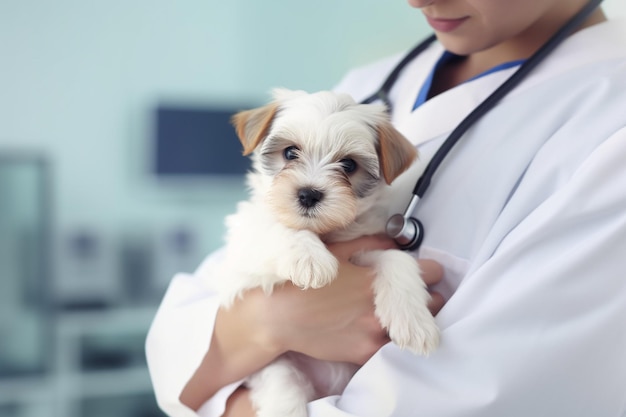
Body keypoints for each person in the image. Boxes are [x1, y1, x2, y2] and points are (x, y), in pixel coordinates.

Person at [146, 0, 626, 415]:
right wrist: (264, 322)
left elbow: (492, 393)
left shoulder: (609, 129)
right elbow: (185, 327)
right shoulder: (373, 81)